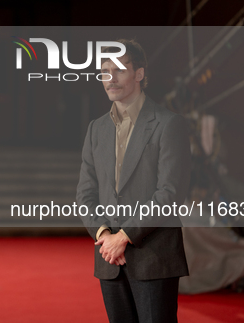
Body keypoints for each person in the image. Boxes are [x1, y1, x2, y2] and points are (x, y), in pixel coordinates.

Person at [76, 39, 191, 323]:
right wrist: (104, 236)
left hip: (153, 257)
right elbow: (85, 194)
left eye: (119, 70)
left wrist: (124, 237)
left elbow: (170, 193)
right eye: (104, 71)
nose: (110, 78)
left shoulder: (169, 124)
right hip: (110, 260)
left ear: (139, 74)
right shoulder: (96, 129)